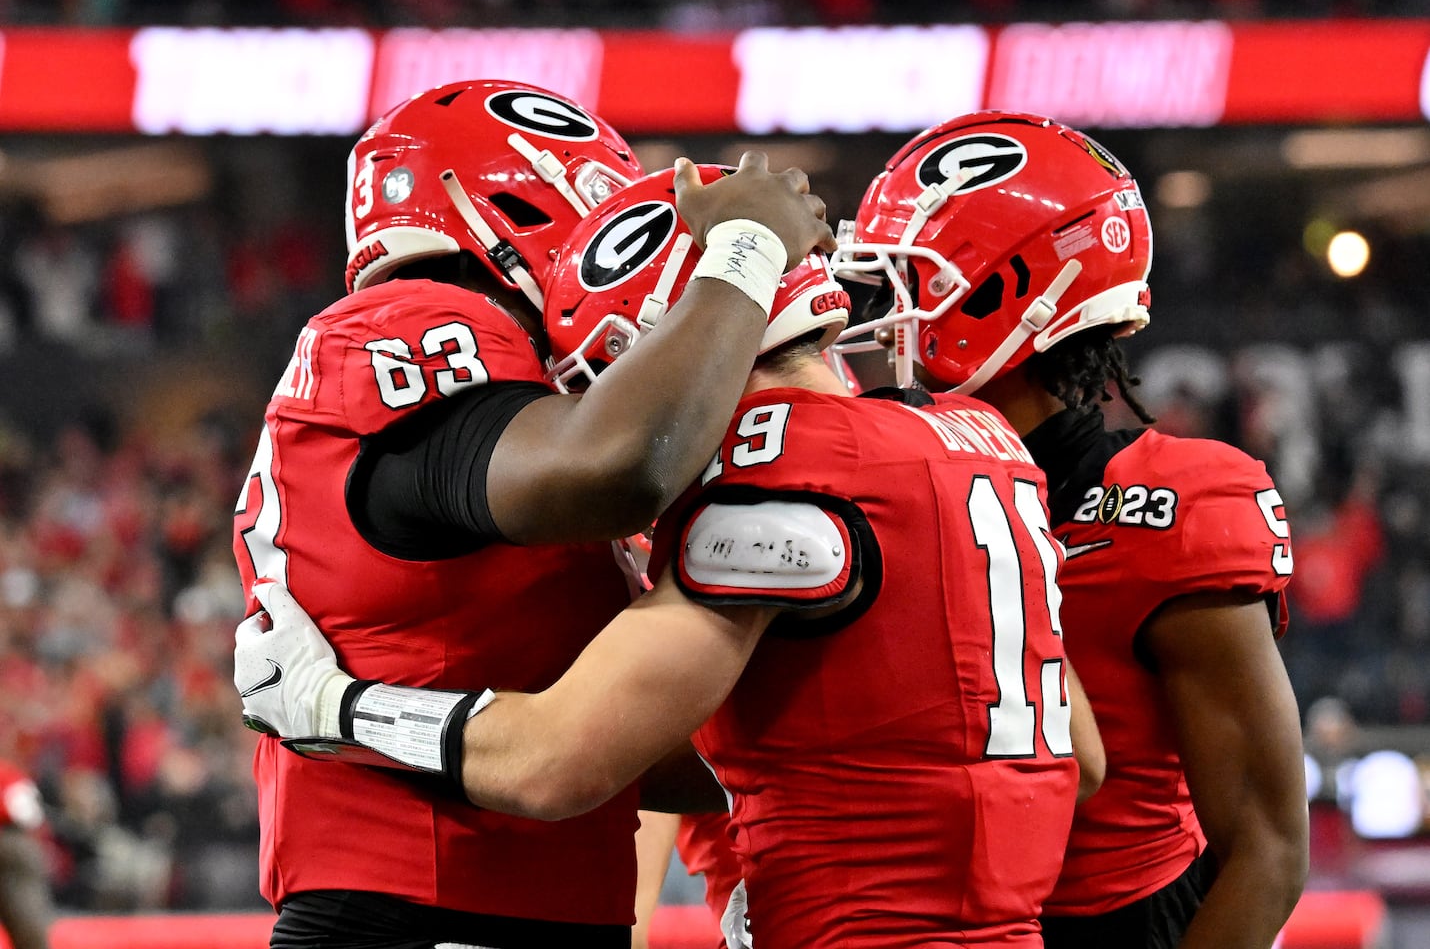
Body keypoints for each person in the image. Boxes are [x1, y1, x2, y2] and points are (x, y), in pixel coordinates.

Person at [235, 162, 1105, 949]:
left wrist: (339, 707)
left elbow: (553, 763)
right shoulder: (978, 437)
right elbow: (1078, 759)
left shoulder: (782, 469)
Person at [231, 80, 835, 949]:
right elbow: (621, 467)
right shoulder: (408, 322)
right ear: (526, 203)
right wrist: (743, 252)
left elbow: (597, 748)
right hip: (425, 904)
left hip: (486, 899)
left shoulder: (500, 403)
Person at [830, 110, 1308, 949]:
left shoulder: (1170, 507)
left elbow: (1268, 849)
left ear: (1003, 293)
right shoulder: (885, 468)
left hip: (1113, 926)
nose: (868, 316)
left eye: (902, 283)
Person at [0, 759, 53, 949]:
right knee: (28, 925)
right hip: (12, 840)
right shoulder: (9, 774)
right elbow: (28, 815)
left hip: (11, 842)